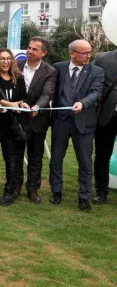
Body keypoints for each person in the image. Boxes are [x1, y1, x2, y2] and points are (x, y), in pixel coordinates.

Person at [49, 39, 104, 212]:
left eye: (89, 52)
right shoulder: (58, 68)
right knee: (56, 159)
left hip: (84, 123)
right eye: (84, 52)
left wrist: (83, 103)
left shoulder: (97, 71)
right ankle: (56, 191)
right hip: (61, 122)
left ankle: (84, 197)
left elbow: (96, 93)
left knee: (85, 162)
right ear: (72, 53)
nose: (89, 55)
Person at [0, 49, 31, 206]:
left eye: (8, 58)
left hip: (10, 125)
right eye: (2, 58)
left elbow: (23, 97)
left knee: (10, 158)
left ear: (12, 60)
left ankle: (9, 190)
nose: (5, 61)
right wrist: (10, 104)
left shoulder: (18, 78)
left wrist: (22, 104)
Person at [17, 37, 57, 204]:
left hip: (37, 119)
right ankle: (14, 187)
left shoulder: (50, 71)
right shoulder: (16, 66)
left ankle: (32, 189)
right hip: (17, 118)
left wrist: (37, 107)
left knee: (35, 156)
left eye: (34, 49)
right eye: (29, 47)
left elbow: (47, 94)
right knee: (16, 156)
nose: (30, 51)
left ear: (44, 53)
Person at [92, 47, 117, 205]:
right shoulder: (102, 58)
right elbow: (92, 85)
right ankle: (101, 191)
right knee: (102, 156)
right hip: (107, 116)